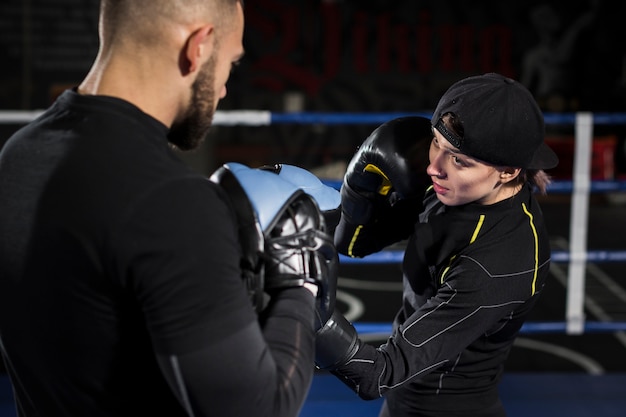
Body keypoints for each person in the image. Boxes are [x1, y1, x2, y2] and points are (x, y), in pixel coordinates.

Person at [0, 1, 339, 416]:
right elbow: (258, 408)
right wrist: (299, 283)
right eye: (231, 63)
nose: (225, 88)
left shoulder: (18, 155)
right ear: (198, 47)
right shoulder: (170, 202)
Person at [315, 72, 559, 417]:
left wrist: (306, 308)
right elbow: (355, 244)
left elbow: (377, 375)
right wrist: (357, 194)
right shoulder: (451, 187)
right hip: (402, 401)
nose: (434, 167)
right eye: (435, 143)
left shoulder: (500, 262)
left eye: (460, 160)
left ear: (507, 172)